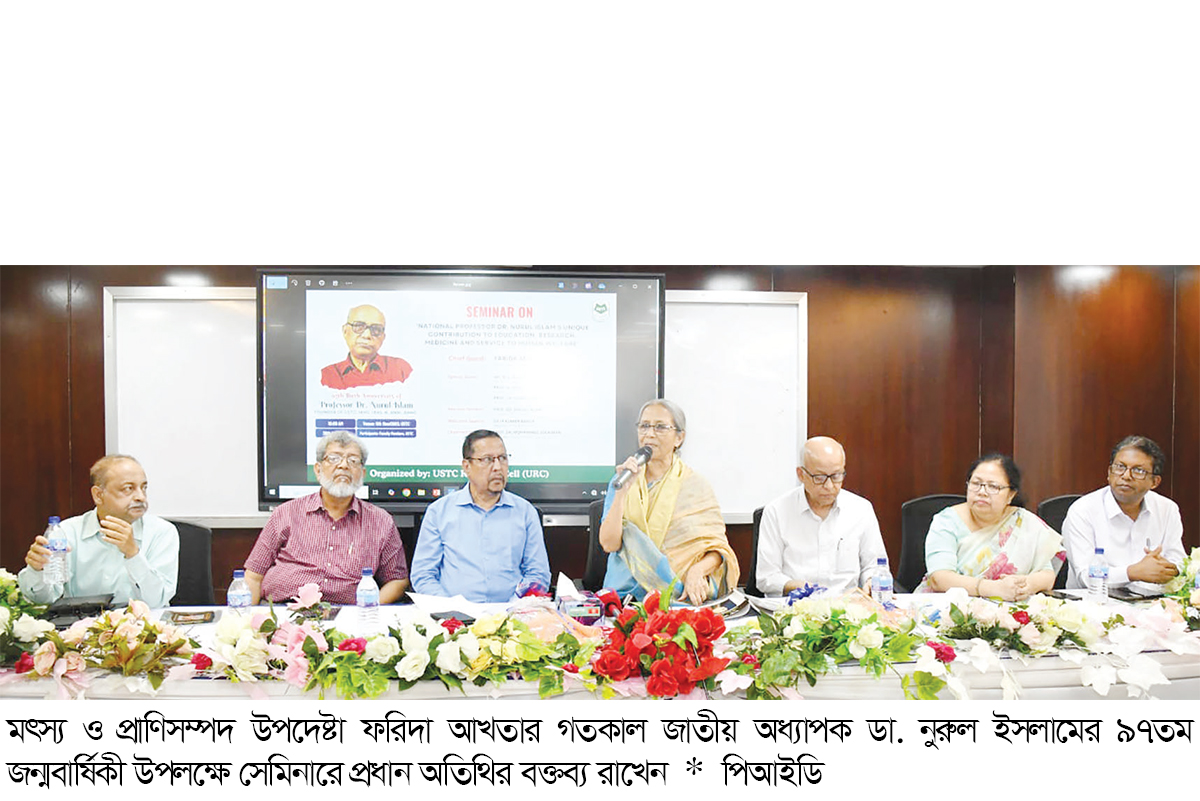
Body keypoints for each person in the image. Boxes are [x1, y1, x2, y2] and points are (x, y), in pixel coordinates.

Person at [599, 399, 739, 604]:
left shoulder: (695, 486)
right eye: (644, 426)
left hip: (678, 598)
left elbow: (717, 549)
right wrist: (622, 493)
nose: (649, 434)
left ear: (679, 438)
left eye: (660, 427)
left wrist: (697, 571)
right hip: (624, 599)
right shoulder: (623, 479)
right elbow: (609, 544)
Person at [244, 431, 408, 604]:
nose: (343, 465)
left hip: (348, 613)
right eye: (334, 458)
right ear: (318, 469)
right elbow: (253, 576)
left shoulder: (381, 521)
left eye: (353, 460)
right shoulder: (285, 513)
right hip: (284, 609)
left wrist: (367, 609)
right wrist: (247, 618)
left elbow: (397, 581)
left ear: (362, 473)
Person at [19, 454, 179, 607]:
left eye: (143, 488)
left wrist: (133, 554)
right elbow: (42, 599)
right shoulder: (67, 532)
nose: (141, 497)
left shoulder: (162, 532)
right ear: (98, 495)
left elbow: (157, 601)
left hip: (142, 623)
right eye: (128, 489)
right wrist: (37, 570)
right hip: (82, 623)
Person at [409, 430, 551, 602]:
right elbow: (423, 575)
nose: (498, 467)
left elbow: (538, 574)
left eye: (502, 458)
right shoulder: (439, 512)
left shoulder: (525, 512)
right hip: (454, 614)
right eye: (487, 459)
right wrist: (451, 608)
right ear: (466, 466)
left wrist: (513, 608)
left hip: (512, 612)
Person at [921, 453, 1064, 601]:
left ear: (1011, 495)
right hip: (947, 607)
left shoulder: (1023, 522)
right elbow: (939, 578)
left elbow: (1047, 575)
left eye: (993, 486)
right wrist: (993, 589)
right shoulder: (947, 521)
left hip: (1009, 606)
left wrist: (1024, 585)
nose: (982, 492)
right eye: (976, 483)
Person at [755, 436, 887, 597]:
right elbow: (767, 577)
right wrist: (803, 588)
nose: (829, 486)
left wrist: (871, 581)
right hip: (795, 605)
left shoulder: (861, 509)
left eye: (836, 476)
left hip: (847, 605)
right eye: (819, 478)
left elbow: (876, 566)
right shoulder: (776, 512)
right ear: (801, 474)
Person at [1062, 435, 1184, 591]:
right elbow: (1085, 576)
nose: (1126, 476)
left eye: (1138, 470)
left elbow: (1179, 562)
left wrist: (1168, 569)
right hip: (1096, 600)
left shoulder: (1167, 509)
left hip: (1153, 600)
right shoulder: (1083, 510)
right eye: (1120, 467)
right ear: (1109, 473)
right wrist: (1132, 573)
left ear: (1155, 482)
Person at [320, 304, 413, 389]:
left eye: (376, 329)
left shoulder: (400, 369)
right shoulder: (327, 375)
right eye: (359, 327)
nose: (367, 335)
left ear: (383, 337)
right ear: (345, 331)